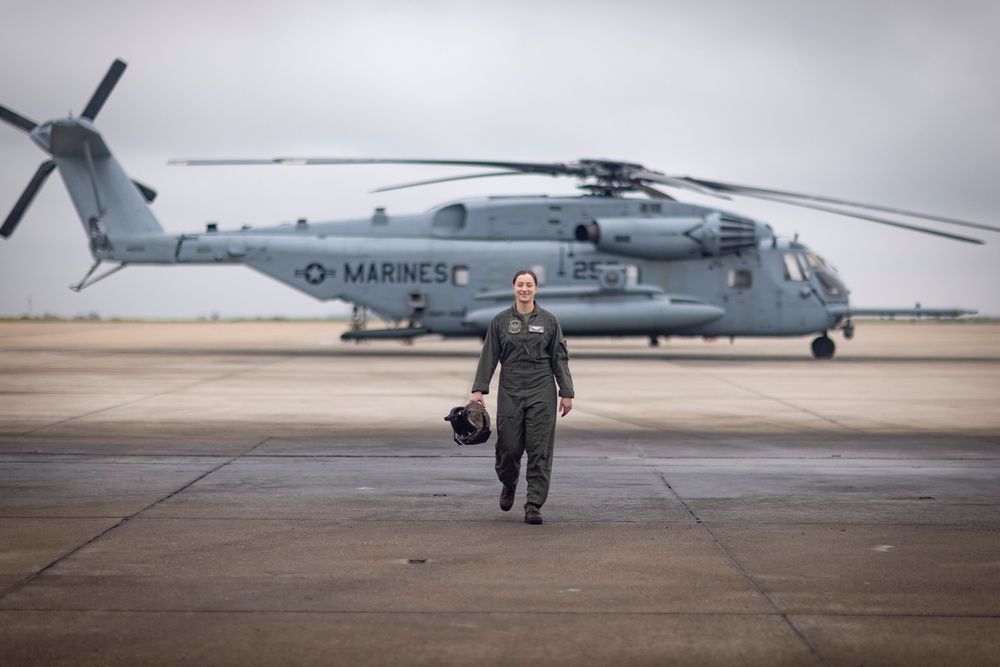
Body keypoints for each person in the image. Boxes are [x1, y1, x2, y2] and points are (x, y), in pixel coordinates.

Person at [469, 269, 574, 525]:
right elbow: (489, 356)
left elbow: (559, 357)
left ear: (536, 288)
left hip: (542, 386)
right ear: (513, 288)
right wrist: (478, 389)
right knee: (509, 446)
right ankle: (508, 482)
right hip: (511, 387)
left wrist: (566, 391)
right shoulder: (500, 321)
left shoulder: (549, 321)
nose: (524, 289)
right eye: (520, 284)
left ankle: (534, 505)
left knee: (539, 448)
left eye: (529, 285)